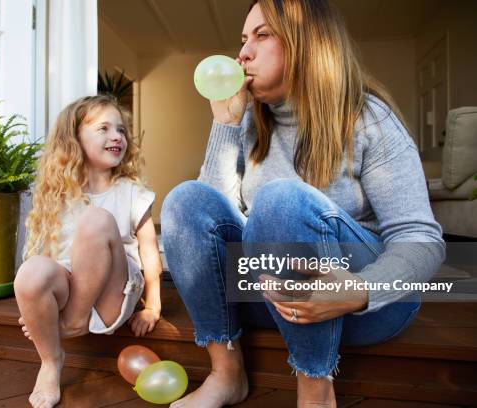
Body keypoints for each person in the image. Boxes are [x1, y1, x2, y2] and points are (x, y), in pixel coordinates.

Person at [161, 1, 445, 407]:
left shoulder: (368, 118)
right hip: (274, 302)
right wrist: (224, 126)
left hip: (365, 308)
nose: (242, 53)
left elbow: (421, 239)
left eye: (261, 36)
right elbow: (211, 224)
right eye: (243, 40)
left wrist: (363, 289)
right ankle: (226, 374)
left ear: (307, 44)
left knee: (281, 200)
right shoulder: (247, 120)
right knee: (186, 198)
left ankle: (315, 391)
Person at [14, 95, 162, 408]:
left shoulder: (131, 192)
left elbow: (150, 251)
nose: (117, 136)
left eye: (120, 130)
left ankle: (75, 322)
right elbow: (44, 260)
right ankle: (51, 361)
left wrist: (153, 306)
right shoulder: (57, 195)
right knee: (31, 270)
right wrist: (35, 311)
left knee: (95, 220)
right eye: (104, 129)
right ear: (74, 140)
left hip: (112, 293)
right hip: (71, 288)